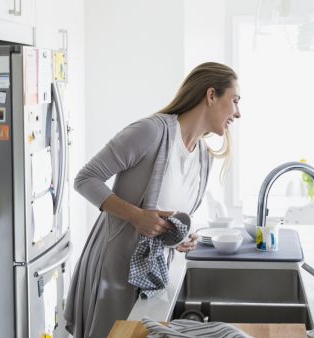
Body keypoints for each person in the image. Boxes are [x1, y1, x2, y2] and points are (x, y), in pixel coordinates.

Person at [64, 62, 241, 338]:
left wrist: (179, 237)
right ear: (211, 95)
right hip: (115, 271)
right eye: (235, 100)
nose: (238, 113)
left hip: (154, 275)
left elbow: (165, 216)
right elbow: (85, 179)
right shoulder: (151, 132)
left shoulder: (203, 157)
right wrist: (136, 216)